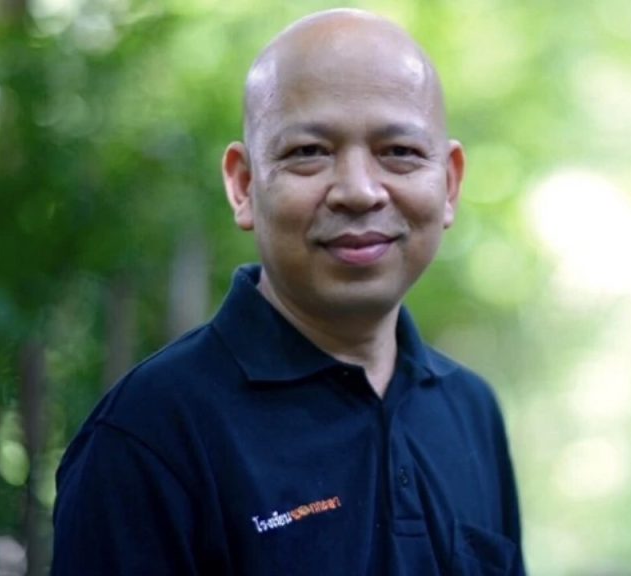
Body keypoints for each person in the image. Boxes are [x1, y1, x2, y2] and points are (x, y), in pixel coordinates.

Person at [51, 9, 524, 575]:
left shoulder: (470, 411)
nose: (358, 191)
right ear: (244, 185)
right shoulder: (151, 434)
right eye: (309, 152)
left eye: (399, 151)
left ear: (448, 184)